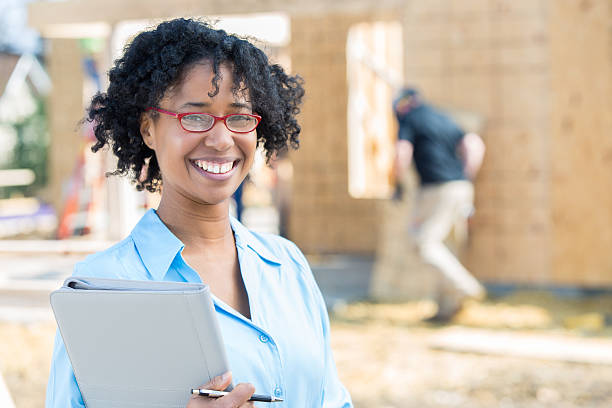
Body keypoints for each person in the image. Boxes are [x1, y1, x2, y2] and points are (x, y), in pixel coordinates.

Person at [46, 18, 353, 408]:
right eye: (195, 116)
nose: (221, 139)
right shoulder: (102, 286)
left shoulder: (287, 264)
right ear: (148, 129)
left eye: (240, 116)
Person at [393, 87, 486, 322]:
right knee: (449, 247)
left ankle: (465, 287)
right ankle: (448, 309)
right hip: (462, 188)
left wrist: (397, 182)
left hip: (437, 188)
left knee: (423, 244)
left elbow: (402, 151)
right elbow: (474, 144)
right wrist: (467, 175)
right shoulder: (442, 116)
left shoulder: (410, 117)